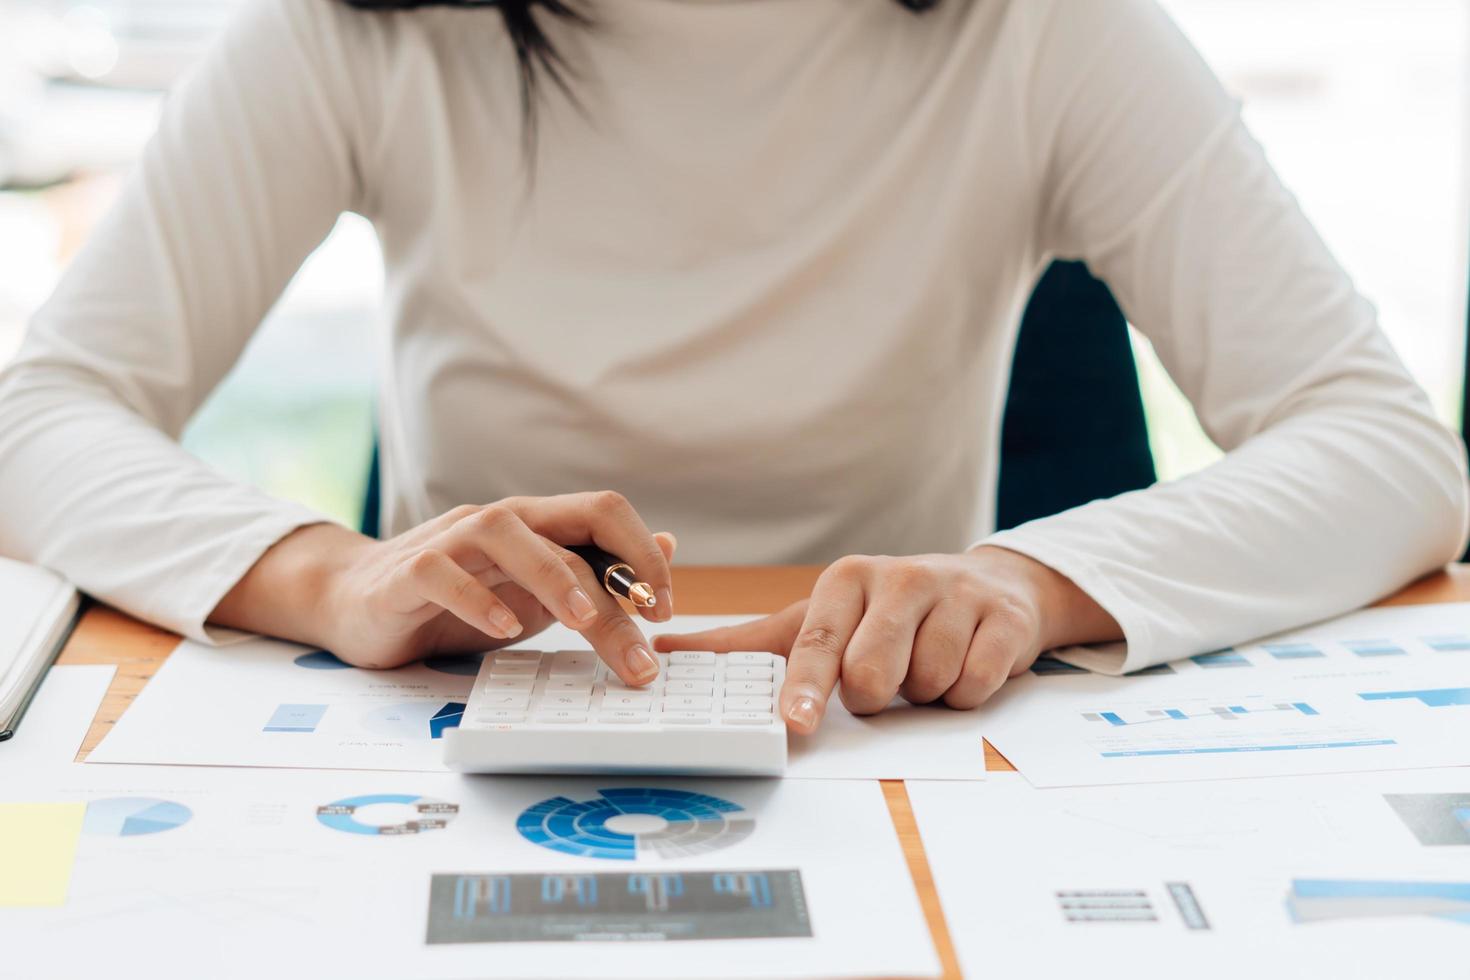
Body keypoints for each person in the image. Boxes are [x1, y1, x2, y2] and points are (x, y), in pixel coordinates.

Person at [0, 0, 1464, 736]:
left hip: (888, 733)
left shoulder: (1037, 31)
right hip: (468, 738)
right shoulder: (364, 32)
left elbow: (1383, 449)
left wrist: (1021, 585)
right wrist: (334, 579)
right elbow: (39, 415)